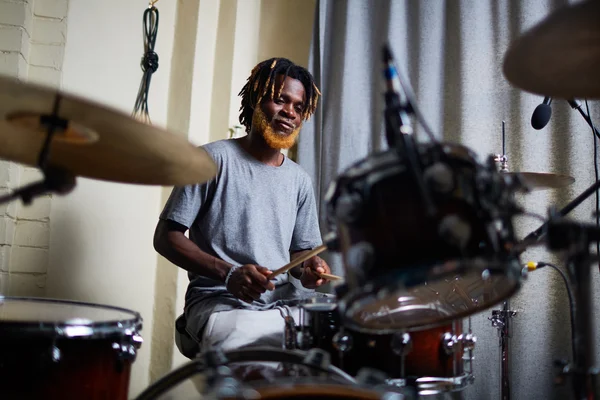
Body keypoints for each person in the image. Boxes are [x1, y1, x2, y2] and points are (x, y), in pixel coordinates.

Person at [154, 57, 331, 357]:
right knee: (250, 348)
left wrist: (309, 269)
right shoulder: (211, 160)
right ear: (256, 100)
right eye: (280, 100)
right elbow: (165, 238)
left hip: (283, 301)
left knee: (346, 333)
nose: (290, 112)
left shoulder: (299, 180)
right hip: (219, 300)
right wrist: (228, 273)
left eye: (299, 107)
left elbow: (300, 254)